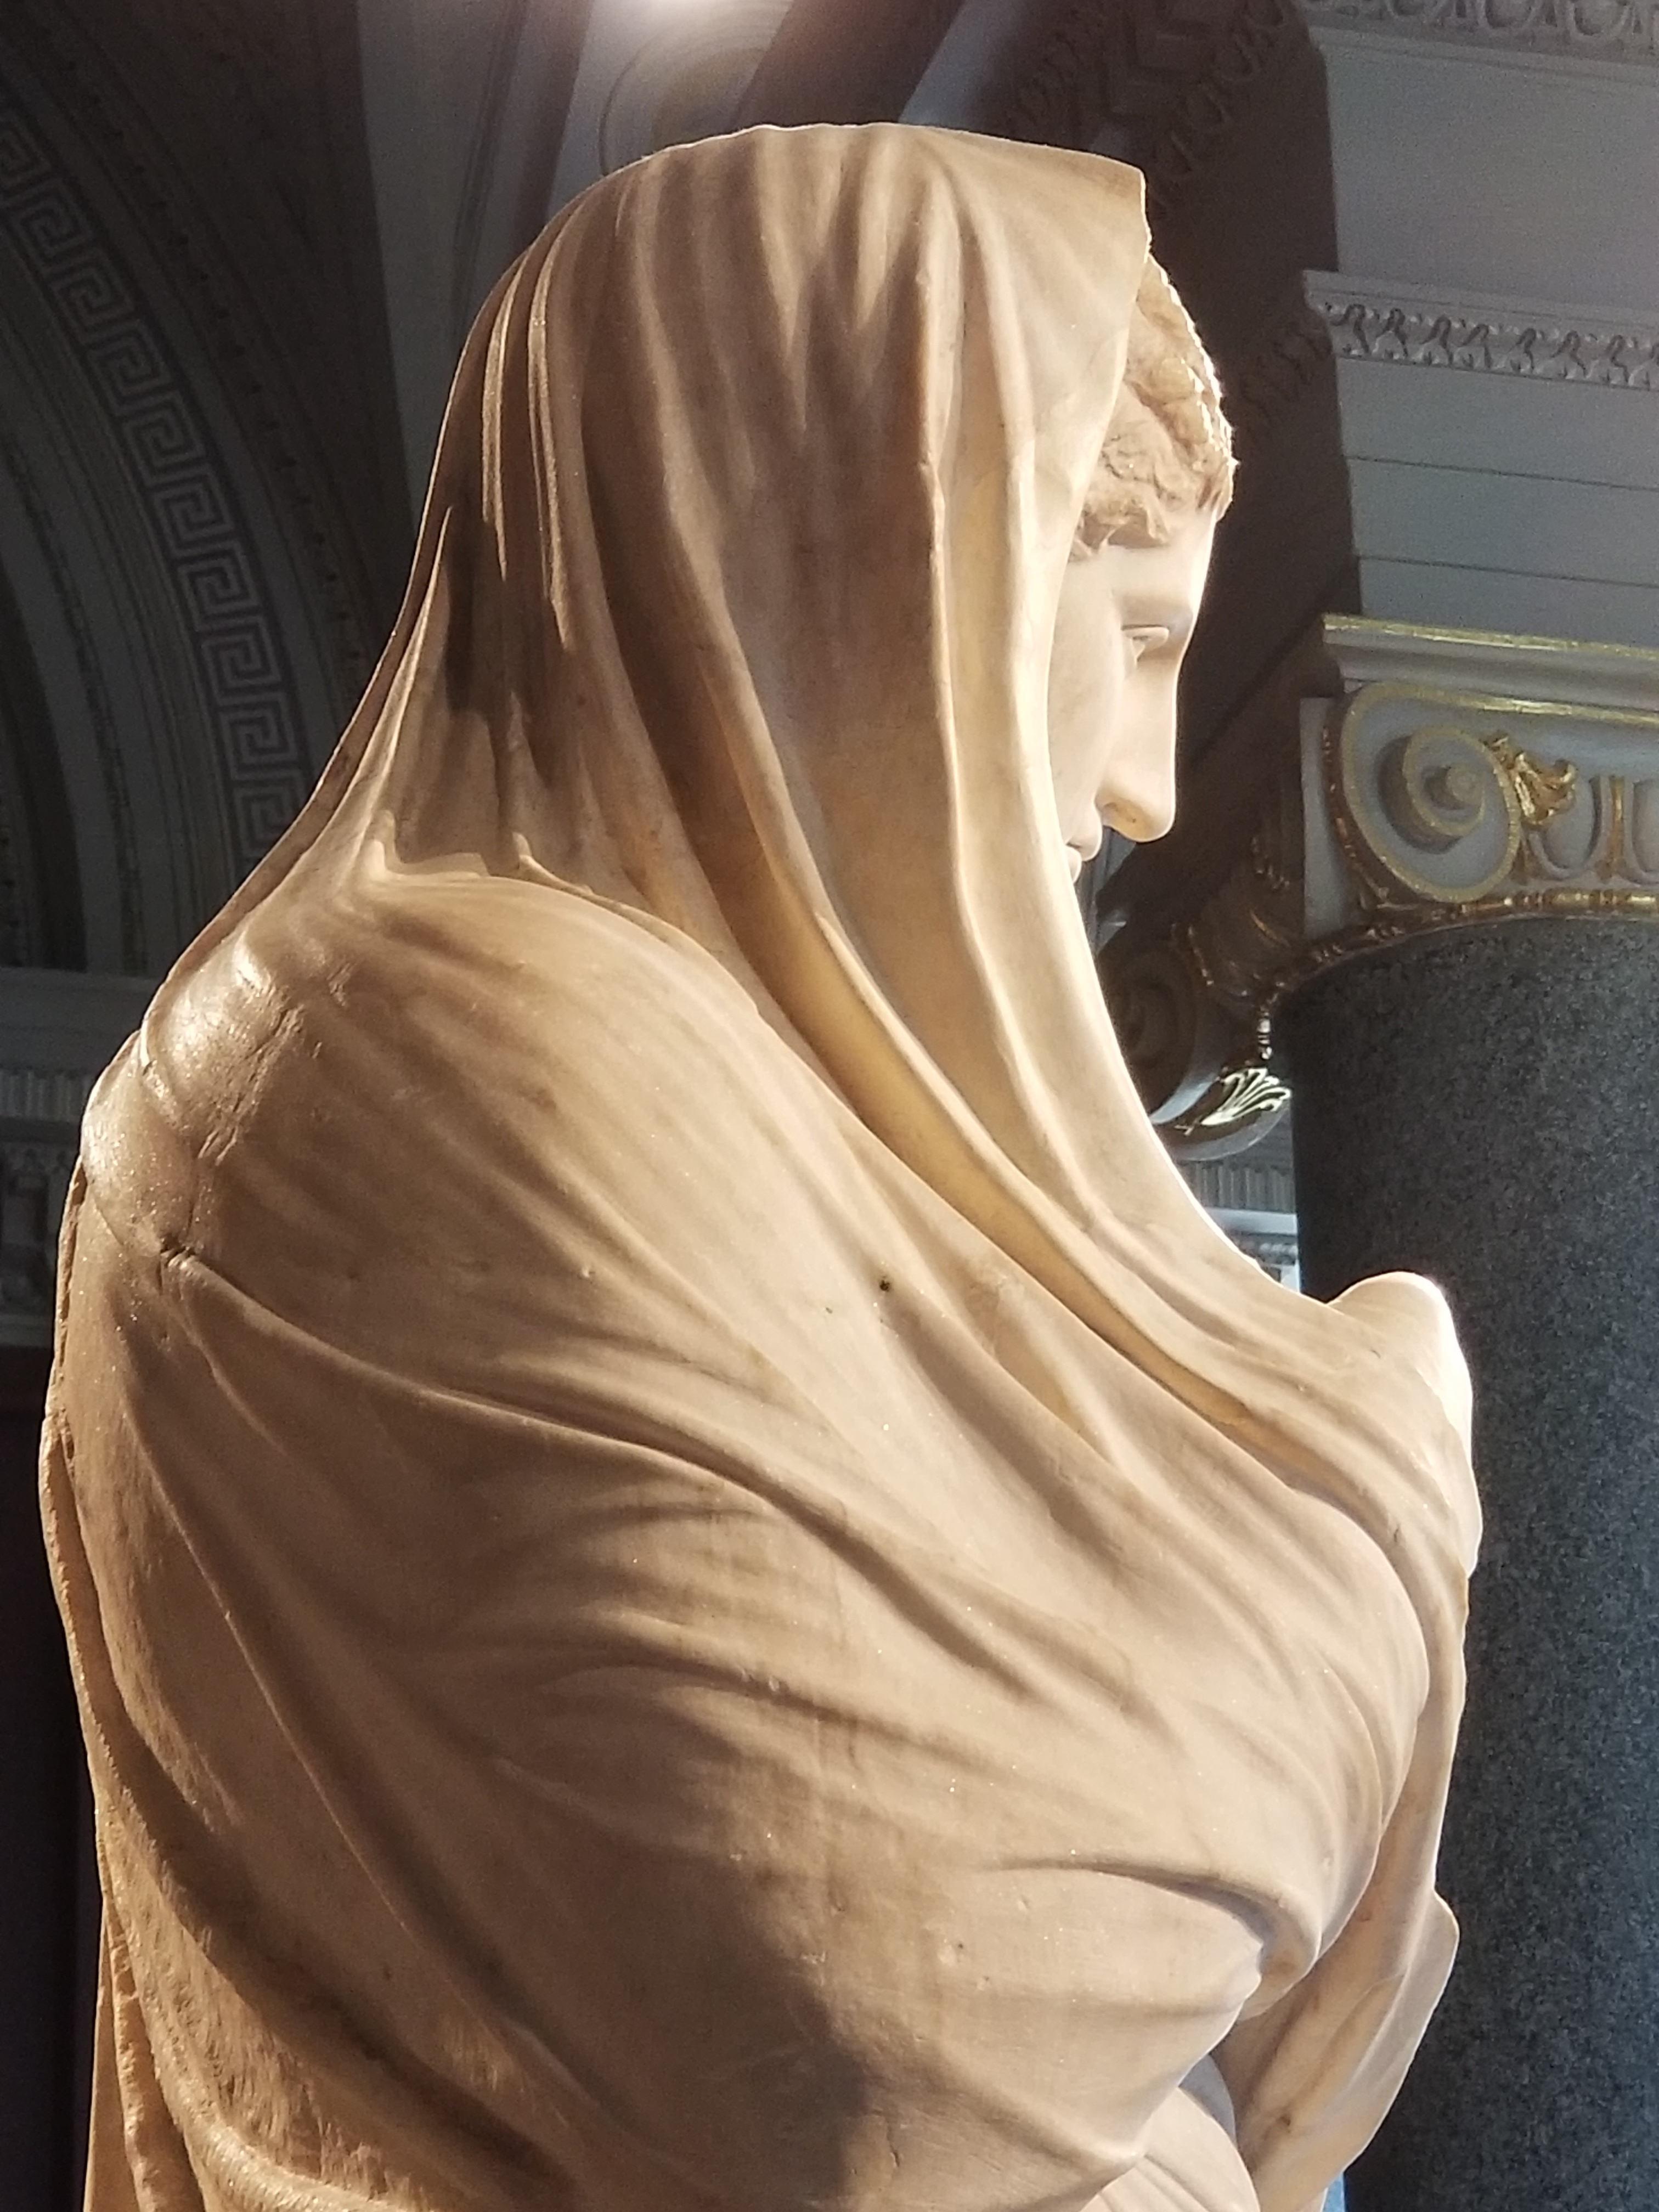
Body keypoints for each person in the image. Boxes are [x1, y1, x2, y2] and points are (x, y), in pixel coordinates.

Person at [43, 125, 1478, 2212]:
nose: (1143, 790)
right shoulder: (432, 1042)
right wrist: (1361, 1510)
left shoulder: (694, 1063)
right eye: (1134, 639)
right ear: (886, 573)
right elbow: (884, 2023)